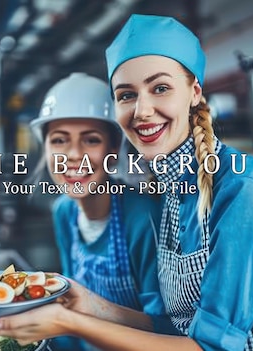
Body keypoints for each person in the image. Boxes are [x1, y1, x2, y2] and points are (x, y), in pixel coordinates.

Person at [0, 14, 253, 351]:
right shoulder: (171, 192)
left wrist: (72, 323)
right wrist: (91, 307)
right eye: (126, 95)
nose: (141, 110)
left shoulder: (243, 187)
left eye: (160, 88)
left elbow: (210, 346)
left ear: (194, 92)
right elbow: (173, 328)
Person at [28, 72, 173, 350]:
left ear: (114, 147)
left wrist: (92, 311)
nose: (72, 154)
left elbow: (167, 328)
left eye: (91, 140)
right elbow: (67, 303)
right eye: (59, 140)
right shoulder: (64, 212)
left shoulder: (143, 215)